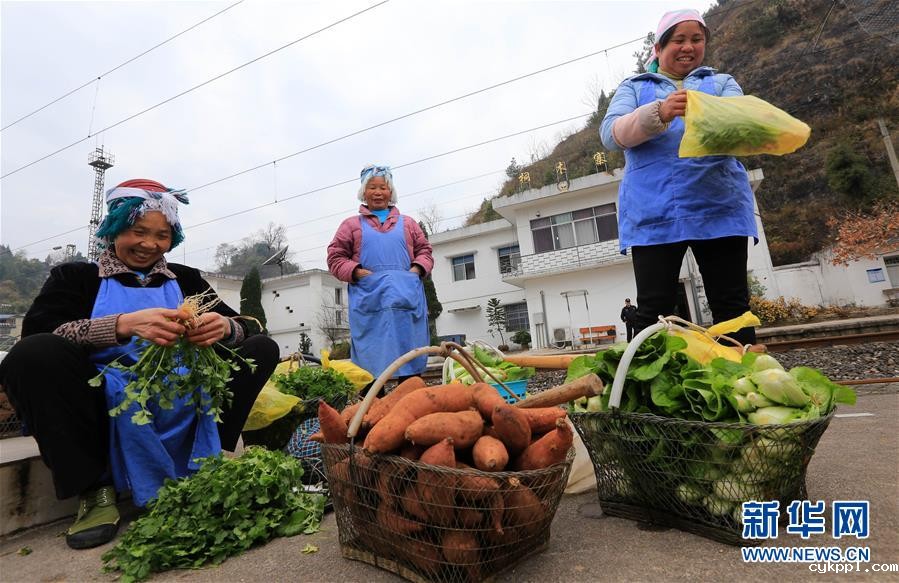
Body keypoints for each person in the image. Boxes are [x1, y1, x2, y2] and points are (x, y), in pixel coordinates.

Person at [0, 179, 278, 549]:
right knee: (33, 355)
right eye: (137, 231)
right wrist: (120, 325)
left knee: (261, 348)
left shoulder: (187, 279)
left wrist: (226, 327)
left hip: (185, 395)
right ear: (114, 229)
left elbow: (249, 326)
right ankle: (95, 490)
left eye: (162, 235)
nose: (150, 244)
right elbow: (40, 333)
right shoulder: (77, 277)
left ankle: (208, 463)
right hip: (104, 401)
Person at [600, 8, 757, 346]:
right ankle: (649, 393)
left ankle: (742, 387)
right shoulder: (634, 87)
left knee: (732, 308)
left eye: (697, 39)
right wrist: (659, 112)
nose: (689, 47)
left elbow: (742, 122)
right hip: (654, 212)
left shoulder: (721, 83)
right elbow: (611, 134)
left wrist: (710, 112)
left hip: (718, 207)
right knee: (653, 312)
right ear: (658, 48)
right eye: (679, 40)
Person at [326, 165, 433, 386]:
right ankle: (371, 416)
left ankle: (411, 411)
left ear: (390, 192)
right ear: (363, 192)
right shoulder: (351, 225)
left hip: (406, 302)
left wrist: (417, 270)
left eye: (383, 187)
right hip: (370, 304)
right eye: (372, 187)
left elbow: (425, 251)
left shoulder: (409, 224)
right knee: (370, 371)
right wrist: (356, 272)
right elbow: (335, 257)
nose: (378, 192)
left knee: (410, 363)